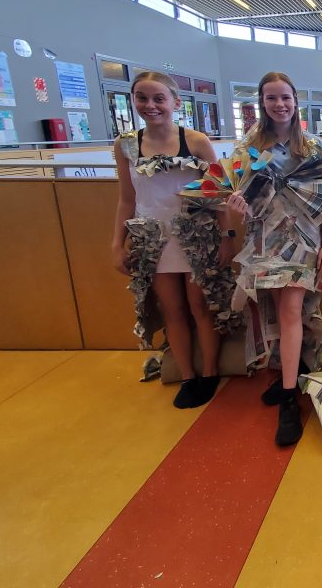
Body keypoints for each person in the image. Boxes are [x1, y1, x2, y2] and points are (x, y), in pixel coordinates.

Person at [112, 71, 237, 409]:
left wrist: (227, 237)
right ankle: (187, 375)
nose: (150, 105)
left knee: (200, 306)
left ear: (175, 103)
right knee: (172, 310)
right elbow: (126, 198)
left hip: (196, 237)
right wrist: (117, 243)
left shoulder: (196, 141)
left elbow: (218, 193)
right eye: (142, 98)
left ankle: (209, 372)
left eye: (158, 98)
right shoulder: (126, 145)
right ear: (133, 101)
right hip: (153, 239)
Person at [226, 72, 322, 446]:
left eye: (285, 97)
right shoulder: (247, 148)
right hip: (263, 241)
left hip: (302, 240)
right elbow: (240, 200)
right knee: (277, 312)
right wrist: (236, 206)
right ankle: (291, 375)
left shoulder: (313, 147)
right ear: (262, 102)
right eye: (271, 97)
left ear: (296, 100)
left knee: (290, 311)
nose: (280, 104)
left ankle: (289, 398)